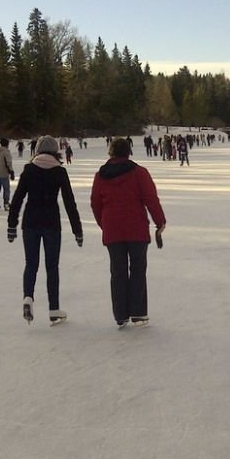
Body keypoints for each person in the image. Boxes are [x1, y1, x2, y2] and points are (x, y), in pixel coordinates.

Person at [7, 135, 83, 326]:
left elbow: (17, 199)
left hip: (30, 222)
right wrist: (77, 230)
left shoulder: (29, 170)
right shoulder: (59, 172)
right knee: (52, 266)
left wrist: (11, 225)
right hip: (51, 223)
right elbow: (69, 202)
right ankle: (54, 308)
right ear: (55, 151)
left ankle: (28, 297)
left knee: (31, 263)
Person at [91, 137, 166, 328]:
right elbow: (151, 199)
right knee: (138, 269)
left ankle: (121, 314)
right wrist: (160, 221)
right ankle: (138, 312)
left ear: (111, 153)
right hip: (136, 228)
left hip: (113, 230)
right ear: (128, 152)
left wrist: (104, 224)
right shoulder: (139, 173)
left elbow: (95, 204)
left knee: (118, 271)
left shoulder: (101, 176)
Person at [0, 138, 15, 211]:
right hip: (3, 173)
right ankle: (6, 203)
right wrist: (11, 171)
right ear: (7, 144)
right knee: (6, 189)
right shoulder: (6, 152)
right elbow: (8, 162)